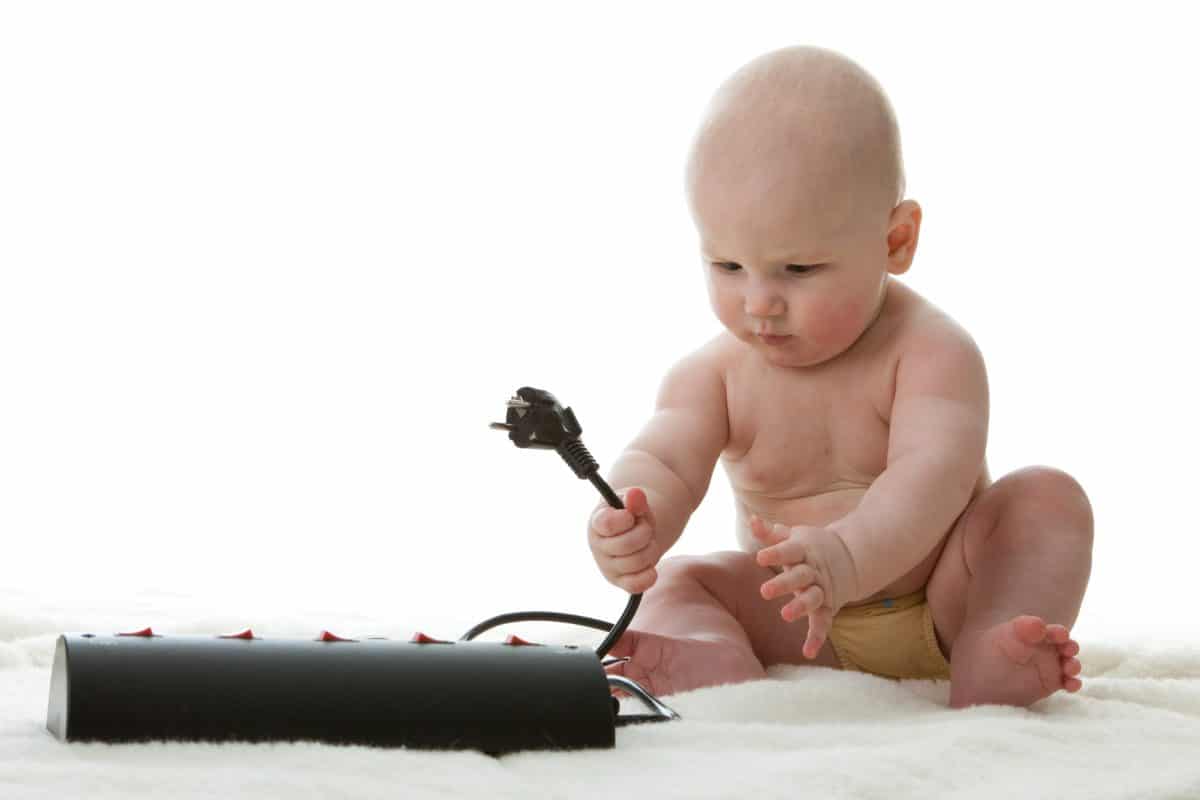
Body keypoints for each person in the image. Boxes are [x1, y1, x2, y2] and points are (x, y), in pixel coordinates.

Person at [589, 45, 1093, 709]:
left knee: (1047, 502)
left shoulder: (931, 352)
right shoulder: (712, 374)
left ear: (895, 242)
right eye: (728, 266)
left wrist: (847, 558)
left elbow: (931, 479)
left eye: (798, 270)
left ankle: (992, 643)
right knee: (679, 581)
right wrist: (630, 513)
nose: (758, 302)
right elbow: (665, 455)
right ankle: (712, 662)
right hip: (798, 621)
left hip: (942, 598)